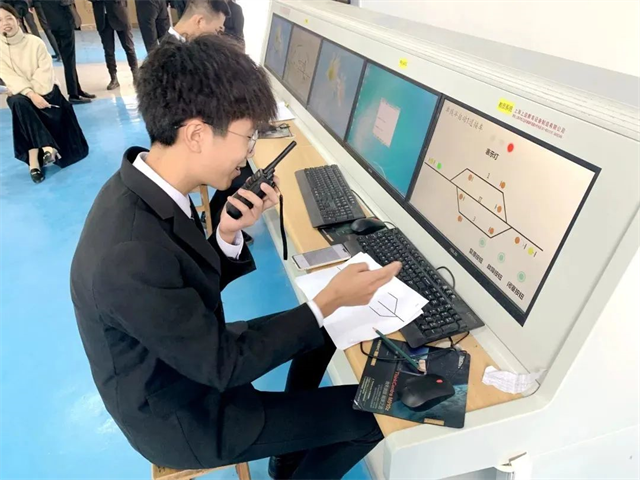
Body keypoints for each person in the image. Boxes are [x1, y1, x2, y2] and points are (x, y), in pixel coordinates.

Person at [71, 35, 401, 480]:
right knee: (374, 418)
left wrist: (227, 234)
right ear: (196, 134)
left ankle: (286, 456)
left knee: (324, 326)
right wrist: (328, 300)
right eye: (248, 137)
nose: (249, 153)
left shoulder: (146, 186)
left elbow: (179, 286)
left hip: (187, 356)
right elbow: (223, 366)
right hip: (184, 415)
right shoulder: (128, 254)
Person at [0, 3, 88, 183]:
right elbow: (9, 76)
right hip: (25, 95)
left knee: (20, 105)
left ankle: (35, 162)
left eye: (9, 18)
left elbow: (45, 73)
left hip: (47, 93)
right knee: (18, 102)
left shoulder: (35, 42)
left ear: (18, 20)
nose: (5, 23)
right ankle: (47, 148)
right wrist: (30, 94)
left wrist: (34, 94)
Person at [39, 0, 95, 103]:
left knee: (69, 60)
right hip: (63, 22)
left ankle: (77, 90)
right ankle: (73, 94)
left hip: (53, 23)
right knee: (69, 61)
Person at [88, 0, 138, 90]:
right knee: (108, 51)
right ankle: (113, 78)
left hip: (120, 14)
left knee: (129, 47)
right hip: (102, 17)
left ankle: (136, 75)